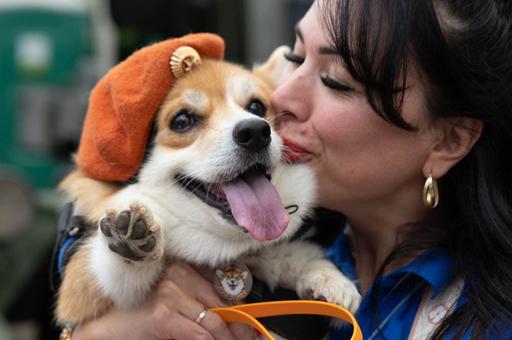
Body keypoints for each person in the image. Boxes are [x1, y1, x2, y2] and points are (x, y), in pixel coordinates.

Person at [59, 0, 512, 338]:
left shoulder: (488, 317)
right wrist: (100, 330)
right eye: (295, 57)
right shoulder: (297, 230)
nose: (280, 101)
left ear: (448, 140)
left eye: (337, 80)